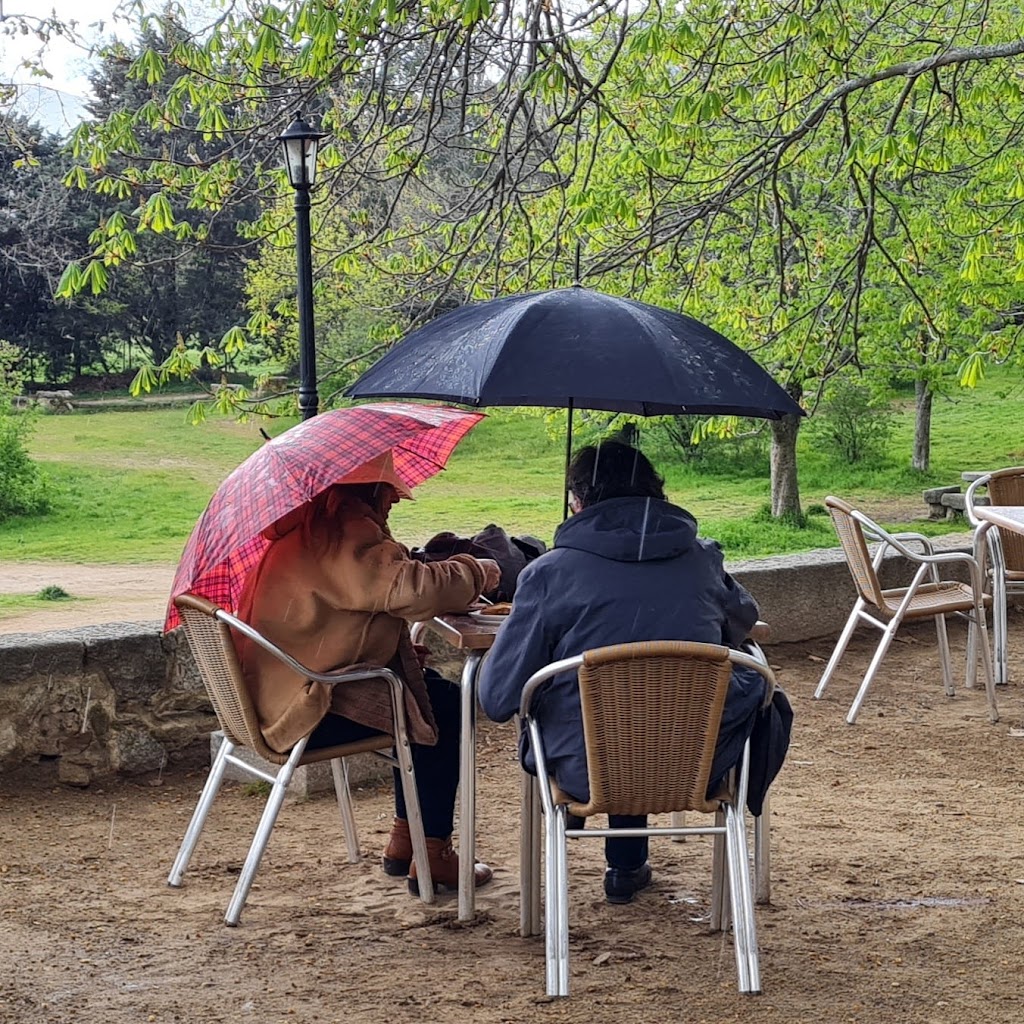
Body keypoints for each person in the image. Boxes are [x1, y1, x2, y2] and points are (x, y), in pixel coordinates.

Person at [479, 441, 789, 905]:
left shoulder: (550, 574)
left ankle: (610, 872)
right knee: (652, 705)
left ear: (578, 503)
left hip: (583, 766)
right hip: (699, 763)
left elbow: (496, 698)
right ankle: (626, 866)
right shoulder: (703, 559)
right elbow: (745, 619)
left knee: (607, 713)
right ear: (656, 493)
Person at [234, 451, 501, 897]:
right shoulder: (343, 531)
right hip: (303, 716)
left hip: (272, 696)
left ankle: (406, 841)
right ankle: (431, 854)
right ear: (368, 490)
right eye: (389, 491)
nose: (394, 502)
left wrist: (389, 648)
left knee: (423, 693)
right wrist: (479, 570)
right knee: (443, 708)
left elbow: (341, 614)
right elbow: (413, 589)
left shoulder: (305, 530)